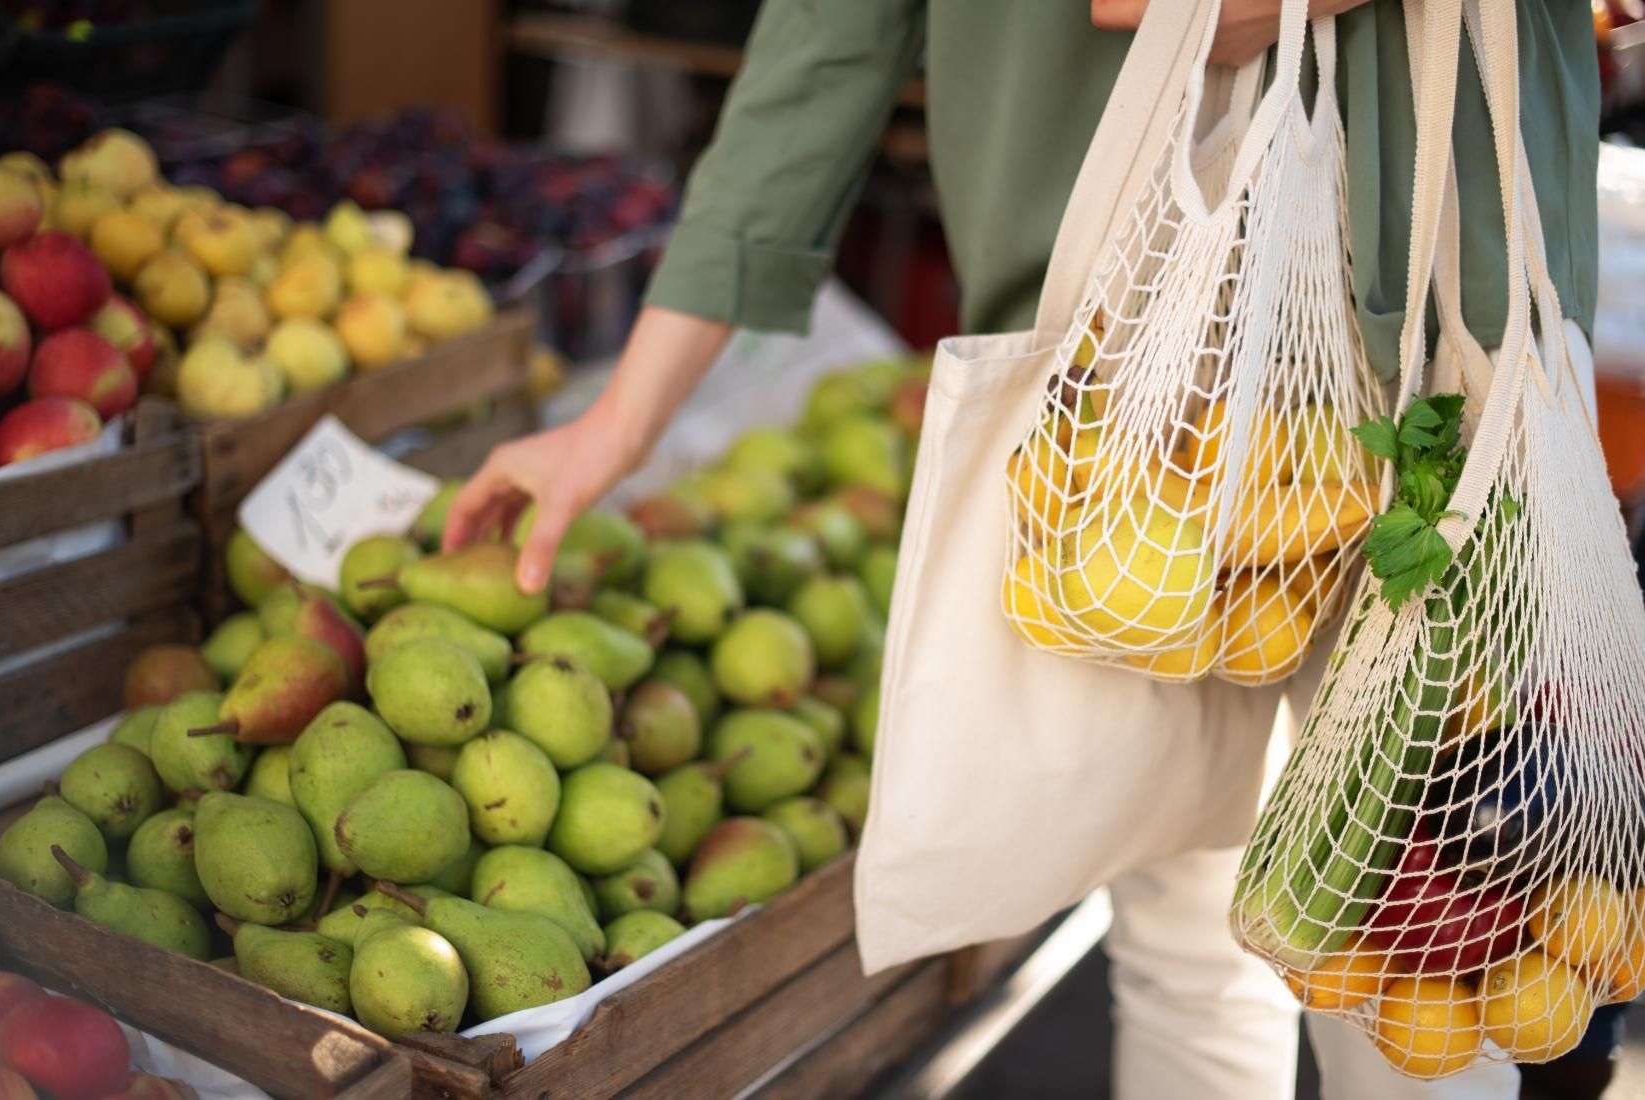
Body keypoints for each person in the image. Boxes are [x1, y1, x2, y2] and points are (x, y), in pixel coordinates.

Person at [444, 3, 1600, 1097]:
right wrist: (620, 420)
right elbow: (830, 37)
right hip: (1136, 375)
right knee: (1201, 928)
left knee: (1425, 966)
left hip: (1442, 334)